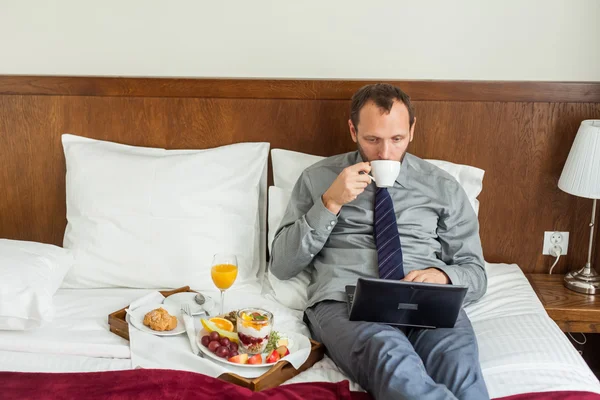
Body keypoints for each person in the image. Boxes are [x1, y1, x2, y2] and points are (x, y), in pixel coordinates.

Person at [270, 83, 489, 400]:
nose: (385, 153)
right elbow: (282, 265)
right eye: (372, 140)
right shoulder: (318, 178)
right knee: (391, 359)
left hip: (428, 300)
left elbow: (476, 273)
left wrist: (444, 276)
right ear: (352, 130)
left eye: (397, 139)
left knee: (461, 370)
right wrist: (329, 203)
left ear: (412, 130)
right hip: (347, 301)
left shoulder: (442, 186)